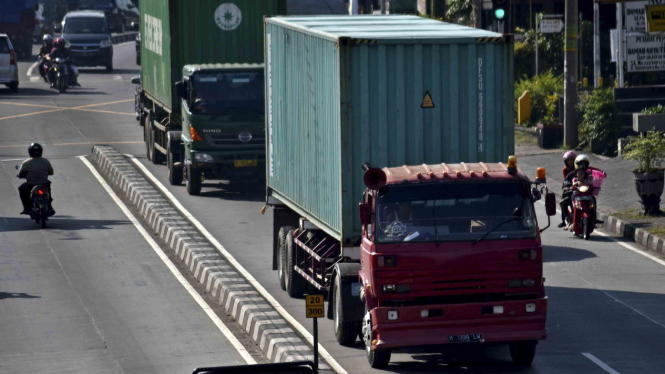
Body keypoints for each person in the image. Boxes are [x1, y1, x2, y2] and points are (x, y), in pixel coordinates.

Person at [17, 143, 55, 216]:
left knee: (22, 189)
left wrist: (20, 175)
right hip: (44, 183)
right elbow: (51, 172)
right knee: (48, 190)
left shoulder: (26, 162)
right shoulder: (45, 161)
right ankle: (50, 207)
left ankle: (26, 208)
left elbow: (20, 173)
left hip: (31, 184)